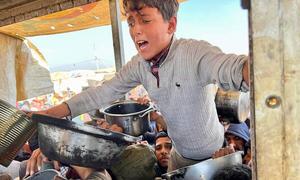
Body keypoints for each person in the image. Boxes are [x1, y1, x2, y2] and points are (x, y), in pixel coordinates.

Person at [27, 0, 250, 175]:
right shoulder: (139, 65)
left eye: (144, 20)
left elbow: (231, 68)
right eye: (131, 22)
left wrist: (252, 70)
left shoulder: (195, 53)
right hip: (178, 157)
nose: (136, 31)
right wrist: (50, 113)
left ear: (171, 25)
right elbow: (102, 93)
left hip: (215, 155)